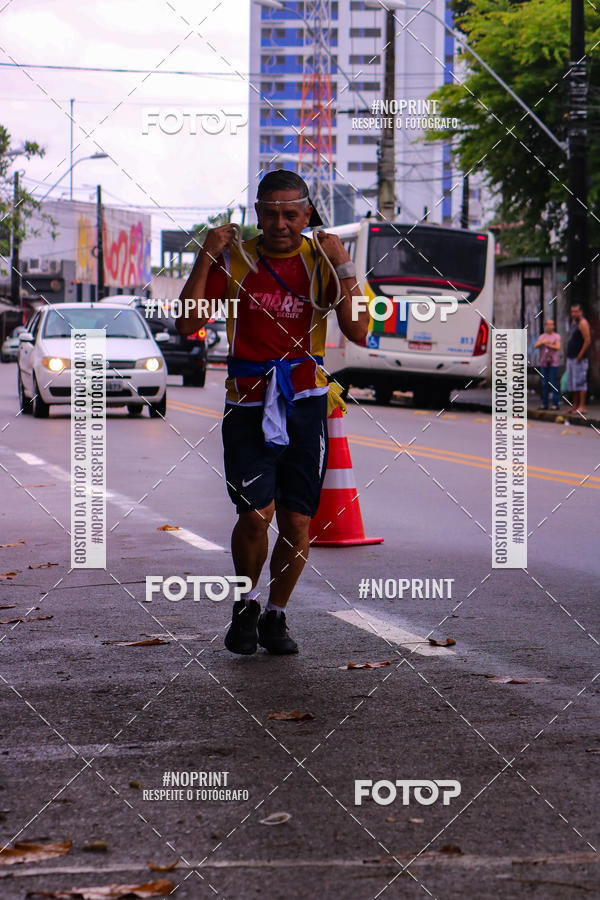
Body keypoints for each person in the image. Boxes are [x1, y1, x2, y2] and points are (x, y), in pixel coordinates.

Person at [177, 170, 369, 655]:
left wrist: (344, 264)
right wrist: (206, 254)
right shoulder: (237, 258)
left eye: (290, 213)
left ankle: (276, 615)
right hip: (246, 405)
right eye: (270, 213)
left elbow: (361, 330)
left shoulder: (322, 260)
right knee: (255, 514)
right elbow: (188, 321)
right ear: (256, 213)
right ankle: (245, 604)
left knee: (298, 523)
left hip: (305, 405)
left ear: (307, 214)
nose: (280, 223)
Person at [566, 303, 591, 415]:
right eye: (572, 312)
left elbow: (587, 340)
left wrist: (580, 355)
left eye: (576, 311)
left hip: (579, 358)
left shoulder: (583, 323)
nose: (574, 314)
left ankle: (582, 406)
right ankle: (574, 406)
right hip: (571, 357)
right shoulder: (573, 323)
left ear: (580, 312)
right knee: (573, 383)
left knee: (581, 382)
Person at [534, 318, 561, 410]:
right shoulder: (542, 337)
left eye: (551, 324)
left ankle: (555, 403)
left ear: (553, 326)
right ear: (545, 326)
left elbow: (557, 347)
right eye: (547, 324)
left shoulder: (556, 336)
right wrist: (543, 342)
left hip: (553, 363)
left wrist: (549, 345)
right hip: (544, 363)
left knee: (554, 383)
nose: (549, 326)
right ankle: (544, 403)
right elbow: (536, 345)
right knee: (544, 384)